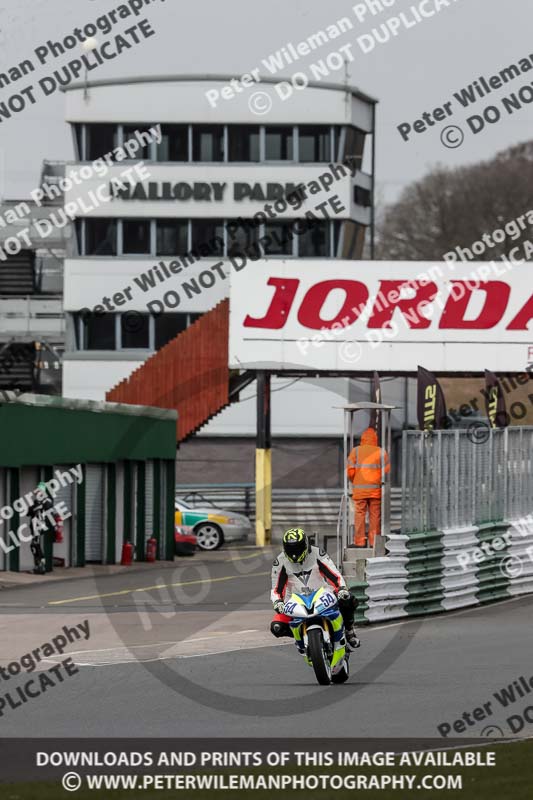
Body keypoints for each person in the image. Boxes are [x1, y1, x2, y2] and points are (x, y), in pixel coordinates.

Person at [270, 528, 360, 649]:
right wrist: (277, 602)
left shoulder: (317, 553)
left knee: (348, 599)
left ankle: (349, 631)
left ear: (305, 545)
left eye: (297, 548)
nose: (294, 553)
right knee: (276, 627)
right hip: (296, 601)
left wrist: (342, 588)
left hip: (322, 594)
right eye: (290, 549)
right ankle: (302, 638)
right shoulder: (280, 561)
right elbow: (276, 589)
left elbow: (334, 575)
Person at [347, 426, 390, 548]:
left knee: (359, 515)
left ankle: (360, 542)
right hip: (375, 490)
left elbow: (349, 471)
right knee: (375, 516)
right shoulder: (381, 452)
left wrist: (355, 480)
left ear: (362, 439)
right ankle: (374, 542)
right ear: (375, 439)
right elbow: (386, 470)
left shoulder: (355, 451)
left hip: (360, 490)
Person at [27, 482, 55, 574]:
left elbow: (49, 508)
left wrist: (40, 504)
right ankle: (39, 565)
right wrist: (33, 507)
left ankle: (41, 566)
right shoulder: (36, 502)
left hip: (40, 525)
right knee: (34, 545)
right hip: (34, 525)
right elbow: (29, 512)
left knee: (35, 544)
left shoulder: (47, 500)